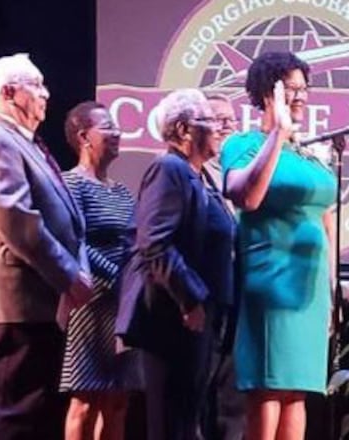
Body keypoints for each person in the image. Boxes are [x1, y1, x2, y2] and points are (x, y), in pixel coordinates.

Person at [0, 53, 93, 440]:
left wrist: (77, 269)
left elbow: (68, 220)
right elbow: (16, 220)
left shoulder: (28, 143)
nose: (46, 93)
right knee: (13, 415)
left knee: (38, 413)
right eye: (35, 85)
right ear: (9, 94)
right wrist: (70, 275)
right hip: (18, 300)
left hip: (43, 301)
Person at [220, 51, 337, 440]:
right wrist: (278, 134)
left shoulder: (310, 153)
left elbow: (324, 217)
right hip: (270, 282)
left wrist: (332, 289)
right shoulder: (243, 144)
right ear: (266, 94)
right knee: (268, 391)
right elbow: (247, 196)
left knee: (297, 393)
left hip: (311, 289)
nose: (301, 96)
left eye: (304, 89)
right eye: (291, 89)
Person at [116, 88, 235, 440]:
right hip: (173, 317)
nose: (218, 129)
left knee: (188, 417)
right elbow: (154, 242)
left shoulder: (199, 175)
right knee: (171, 420)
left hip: (200, 319)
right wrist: (190, 299)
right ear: (184, 130)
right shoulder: (168, 169)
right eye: (210, 121)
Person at [58, 101, 137, 440]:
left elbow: (134, 244)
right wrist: (118, 278)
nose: (117, 132)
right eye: (107, 127)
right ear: (83, 136)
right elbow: (76, 242)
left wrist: (134, 284)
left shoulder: (121, 191)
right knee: (87, 399)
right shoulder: (70, 184)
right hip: (90, 304)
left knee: (118, 400)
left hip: (124, 307)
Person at [202, 93, 247, 440]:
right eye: (219, 120)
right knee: (202, 388)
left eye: (232, 120)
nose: (228, 126)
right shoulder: (187, 171)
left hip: (241, 292)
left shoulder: (243, 172)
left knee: (233, 394)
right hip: (204, 295)